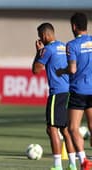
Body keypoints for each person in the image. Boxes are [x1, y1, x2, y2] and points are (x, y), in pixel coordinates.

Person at [32, 23, 77, 170]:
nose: (40, 39)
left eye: (40, 36)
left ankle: (57, 165)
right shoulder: (65, 47)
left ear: (44, 36)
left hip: (57, 93)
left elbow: (36, 70)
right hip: (70, 91)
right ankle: (72, 164)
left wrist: (38, 52)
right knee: (65, 129)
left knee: (52, 128)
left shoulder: (47, 49)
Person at [56, 12, 92, 170]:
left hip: (78, 91)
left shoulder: (71, 45)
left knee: (72, 128)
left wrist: (60, 71)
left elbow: (72, 69)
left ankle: (84, 161)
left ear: (74, 26)